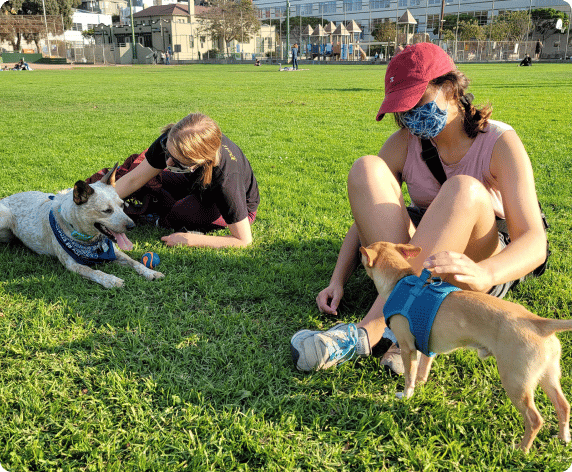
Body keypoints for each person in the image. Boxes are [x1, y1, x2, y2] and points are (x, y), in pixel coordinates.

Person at [291, 42, 548, 375]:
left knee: (463, 189)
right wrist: (337, 278)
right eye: (403, 109)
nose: (411, 117)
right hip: (422, 255)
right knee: (366, 168)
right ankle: (408, 324)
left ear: (452, 89)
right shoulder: (405, 143)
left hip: (475, 260)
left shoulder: (499, 142)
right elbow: (367, 217)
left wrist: (487, 273)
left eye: (419, 103)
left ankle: (367, 333)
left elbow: (533, 242)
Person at [111, 113, 260, 249]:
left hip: (232, 207)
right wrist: (99, 201)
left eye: (177, 162)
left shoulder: (226, 179)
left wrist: (191, 240)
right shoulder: (174, 138)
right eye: (167, 153)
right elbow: (133, 179)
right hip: (195, 183)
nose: (168, 163)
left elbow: (243, 240)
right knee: (152, 178)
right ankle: (157, 204)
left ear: (201, 161)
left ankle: (158, 218)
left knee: (182, 210)